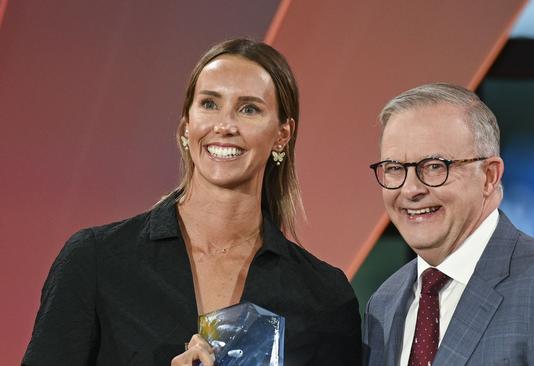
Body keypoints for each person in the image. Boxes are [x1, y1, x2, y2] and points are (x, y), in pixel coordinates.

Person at [23, 38, 361, 366]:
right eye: (210, 104)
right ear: (187, 125)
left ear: (282, 135)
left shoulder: (324, 295)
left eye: (249, 109)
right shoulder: (96, 259)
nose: (224, 125)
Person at [362, 83, 534, 365]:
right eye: (394, 169)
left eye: (434, 167)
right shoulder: (384, 303)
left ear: (489, 176)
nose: (410, 189)